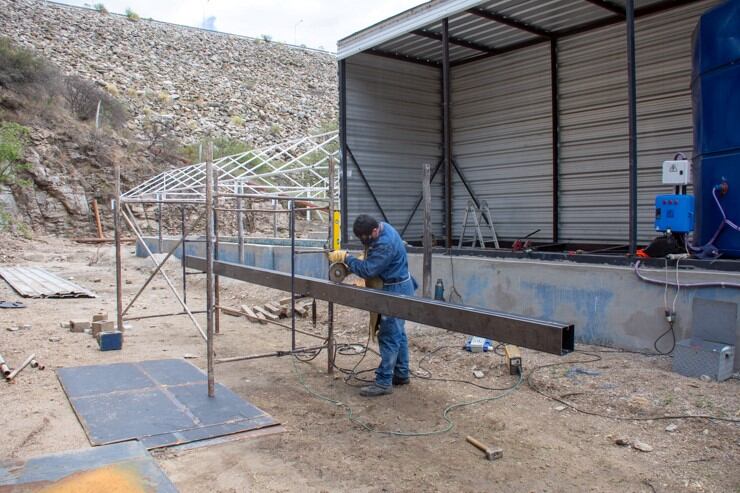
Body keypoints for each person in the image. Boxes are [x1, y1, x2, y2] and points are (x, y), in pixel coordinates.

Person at [328, 214, 417, 397]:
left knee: (389, 335)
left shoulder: (385, 244)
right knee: (398, 333)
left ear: (374, 231)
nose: (365, 242)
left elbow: (369, 270)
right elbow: (371, 256)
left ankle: (384, 382)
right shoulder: (382, 227)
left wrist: (348, 259)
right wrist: (361, 257)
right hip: (398, 284)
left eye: (366, 238)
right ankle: (401, 373)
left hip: (395, 289)